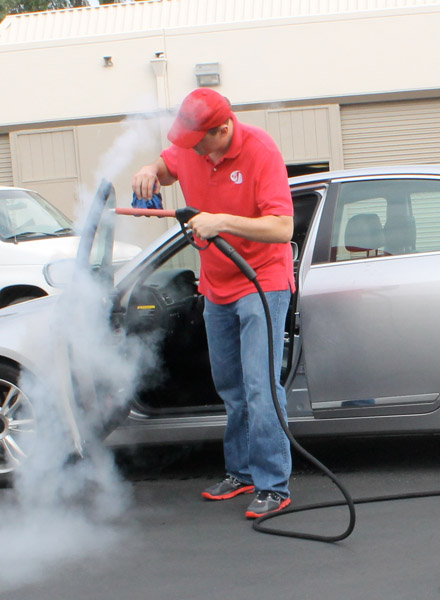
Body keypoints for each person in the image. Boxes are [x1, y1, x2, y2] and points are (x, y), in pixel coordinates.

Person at [131, 88, 295, 519]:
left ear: (222, 130)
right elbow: (168, 164)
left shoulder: (260, 151)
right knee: (231, 388)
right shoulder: (192, 148)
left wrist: (221, 221)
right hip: (216, 287)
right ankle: (241, 473)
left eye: (199, 141)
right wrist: (149, 170)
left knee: (261, 387)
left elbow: (282, 227)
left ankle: (273, 485)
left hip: (262, 281)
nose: (192, 150)